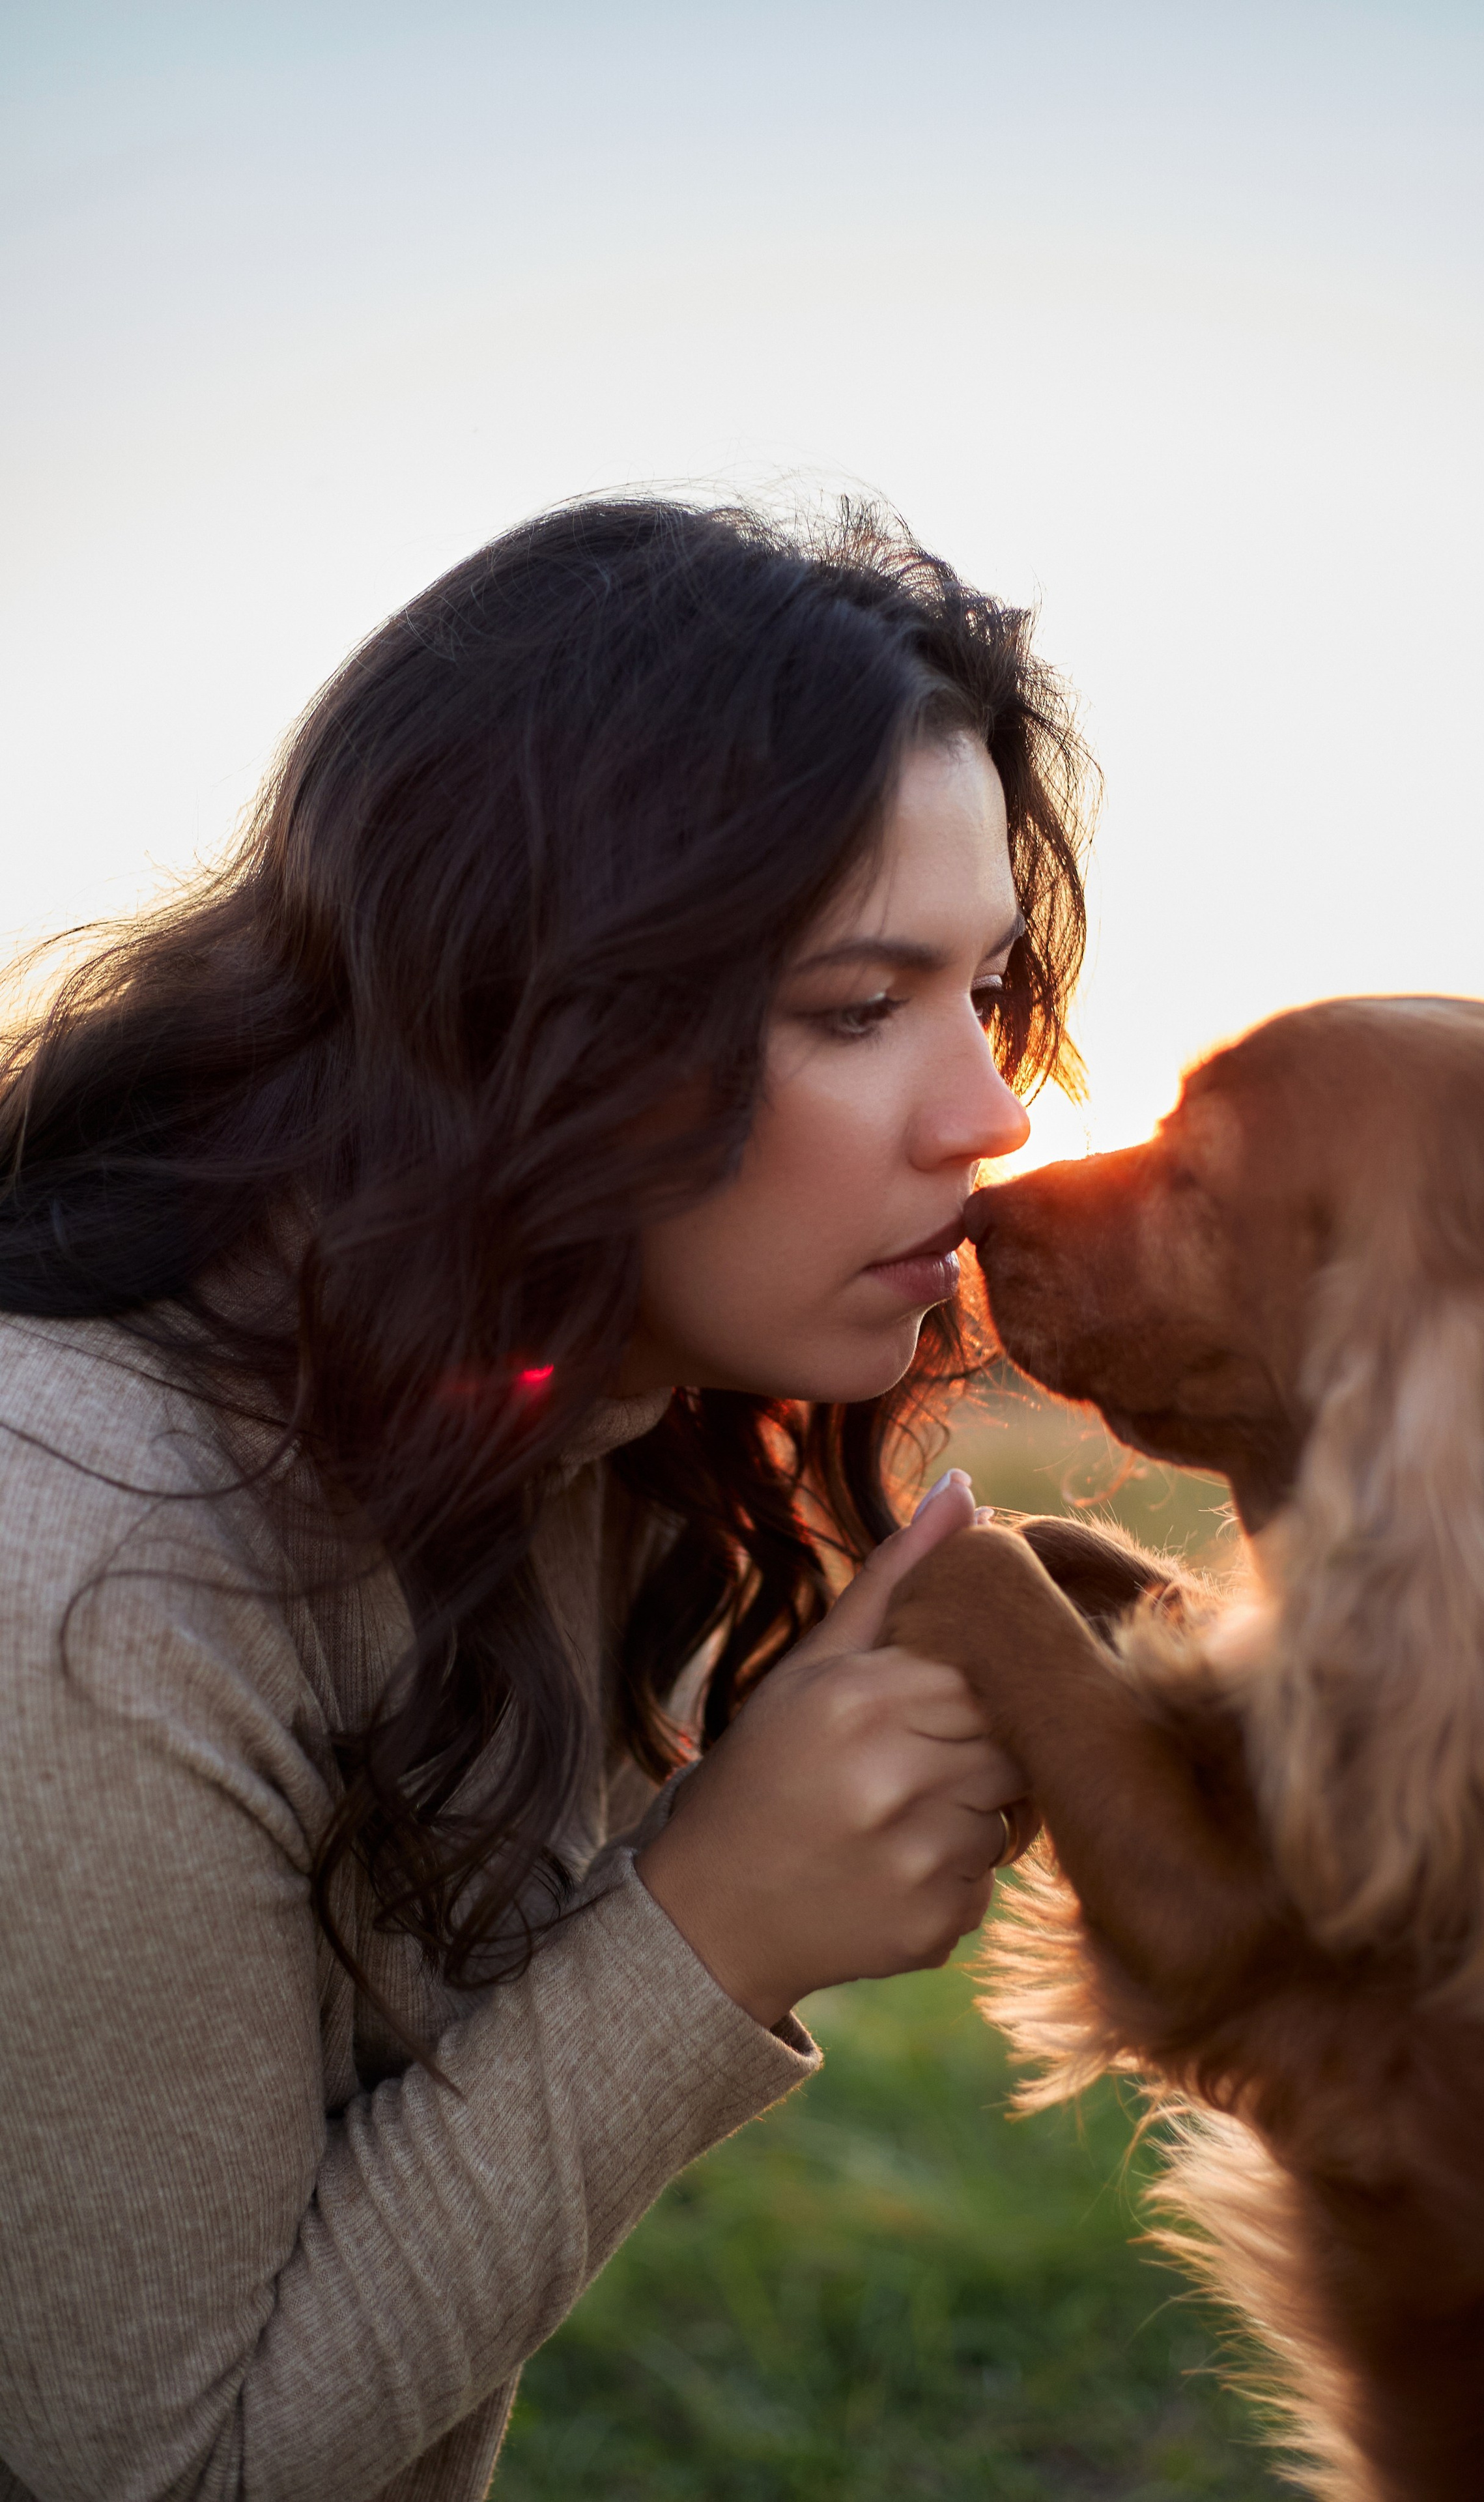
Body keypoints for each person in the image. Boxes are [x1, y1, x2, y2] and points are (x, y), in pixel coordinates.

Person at [0, 498, 1090, 2500]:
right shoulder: (74, 1560)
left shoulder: (574, 1433)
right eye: (858, 1007)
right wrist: (709, 1927)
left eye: (983, 991)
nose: (992, 1112)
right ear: (530, 1020)